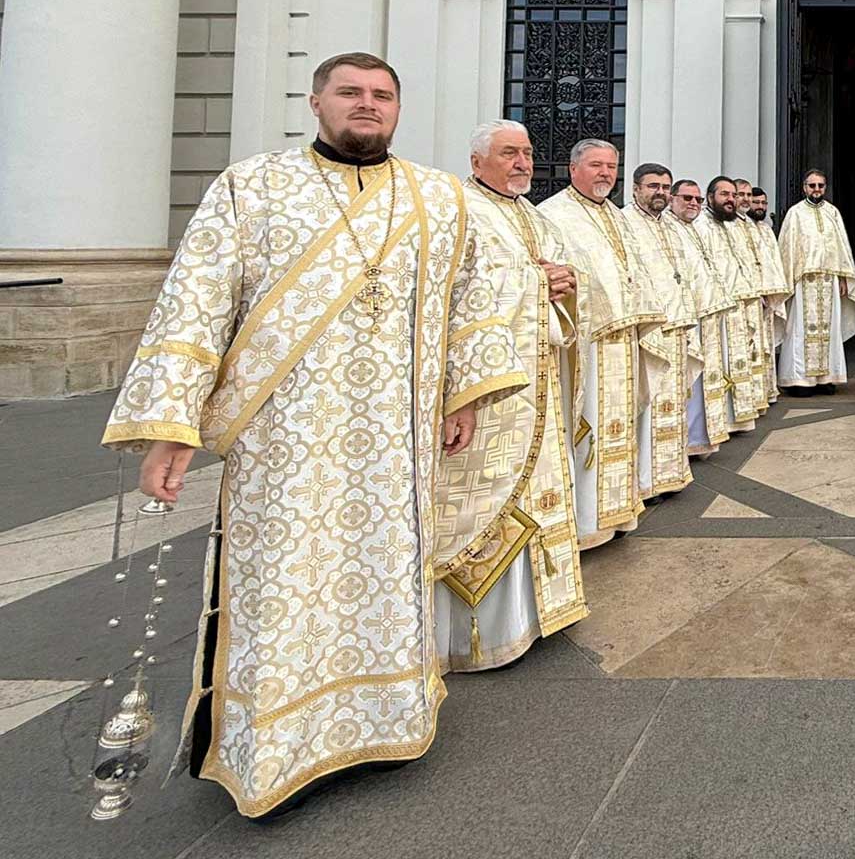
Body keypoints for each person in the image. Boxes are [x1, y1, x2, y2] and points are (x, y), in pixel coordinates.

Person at [105, 53, 527, 817]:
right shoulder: (252, 186)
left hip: (396, 435)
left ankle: (386, 717)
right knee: (283, 579)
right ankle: (275, 743)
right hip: (285, 443)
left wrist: (464, 391)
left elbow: (478, 296)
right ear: (316, 100)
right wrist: (172, 424)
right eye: (352, 93)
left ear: (398, 107)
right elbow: (195, 301)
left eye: (383, 95)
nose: (368, 106)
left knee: (386, 571)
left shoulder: (436, 198)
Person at [438, 121, 588, 671]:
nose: (523, 162)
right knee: (485, 498)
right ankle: (475, 638)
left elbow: (557, 284)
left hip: (540, 377)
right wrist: (536, 284)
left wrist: (567, 285)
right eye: (509, 153)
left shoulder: (534, 217)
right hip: (488, 391)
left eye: (526, 153)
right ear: (478, 162)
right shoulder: (461, 213)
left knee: (540, 492)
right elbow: (453, 297)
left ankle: (532, 616)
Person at [537, 139, 657, 547]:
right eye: (596, 165)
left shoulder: (618, 216)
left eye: (611, 166)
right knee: (588, 426)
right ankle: (588, 522)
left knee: (621, 427)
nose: (606, 173)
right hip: (585, 345)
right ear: (574, 169)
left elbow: (634, 268)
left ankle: (619, 511)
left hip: (622, 341)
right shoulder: (553, 215)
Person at [621, 162, 702, 496]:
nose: (660, 193)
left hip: (678, 325)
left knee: (673, 404)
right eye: (653, 186)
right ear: (636, 188)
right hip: (652, 329)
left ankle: (670, 474)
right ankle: (646, 480)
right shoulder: (626, 223)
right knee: (649, 406)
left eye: (665, 187)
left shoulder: (669, 226)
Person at [690, 176, 770, 430]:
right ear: (710, 196)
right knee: (721, 362)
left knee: (740, 359)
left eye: (733, 195)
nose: (731, 199)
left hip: (742, 301)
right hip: (719, 305)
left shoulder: (735, 225)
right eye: (724, 194)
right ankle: (721, 420)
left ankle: (739, 417)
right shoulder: (700, 225)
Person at [666, 178, 736, 452]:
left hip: (704, 313)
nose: (693, 203)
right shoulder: (670, 228)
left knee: (701, 380)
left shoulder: (692, 228)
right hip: (683, 317)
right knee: (687, 382)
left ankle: (698, 437)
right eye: (686, 198)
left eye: (696, 199)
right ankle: (687, 440)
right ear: (673, 199)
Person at [776, 169, 855, 391]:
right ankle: (799, 380)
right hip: (803, 281)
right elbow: (787, 249)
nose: (816, 190)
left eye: (820, 186)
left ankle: (826, 378)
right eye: (812, 185)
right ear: (804, 187)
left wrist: (844, 277)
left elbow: (842, 247)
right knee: (799, 329)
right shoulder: (795, 213)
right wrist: (787, 281)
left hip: (829, 280)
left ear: (825, 188)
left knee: (829, 329)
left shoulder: (832, 212)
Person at [735, 179, 791, 410]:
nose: (748, 200)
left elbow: (770, 262)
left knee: (763, 347)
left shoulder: (759, 228)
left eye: (752, 196)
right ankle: (748, 399)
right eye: (744, 195)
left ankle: (763, 393)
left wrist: (772, 291)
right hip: (746, 297)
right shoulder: (733, 226)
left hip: (765, 296)